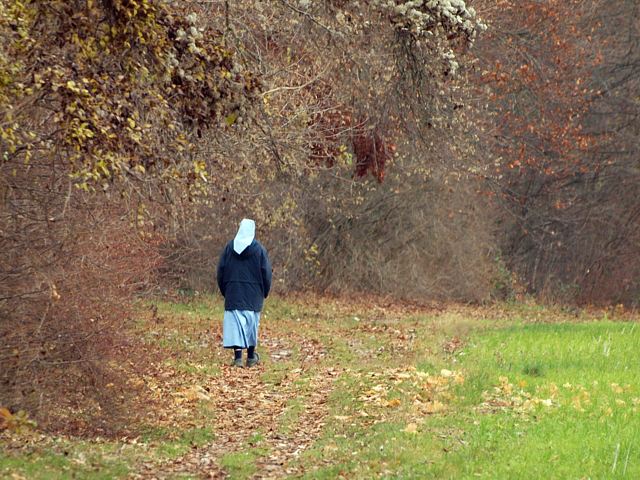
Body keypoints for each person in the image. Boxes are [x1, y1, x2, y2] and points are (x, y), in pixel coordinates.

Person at [216, 219, 272, 367]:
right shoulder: (259, 250)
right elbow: (266, 272)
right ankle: (251, 356)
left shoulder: (229, 248)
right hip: (254, 294)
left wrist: (225, 290)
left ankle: (238, 358)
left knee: (236, 326)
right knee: (252, 325)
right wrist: (265, 291)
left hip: (234, 292)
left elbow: (221, 271)